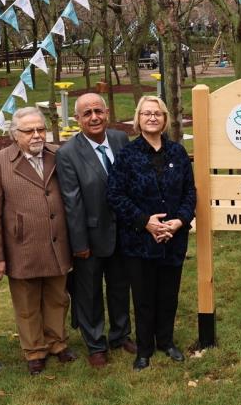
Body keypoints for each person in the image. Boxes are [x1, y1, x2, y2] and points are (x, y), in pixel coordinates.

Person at [0, 107, 76, 375]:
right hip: (22, 246)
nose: (37, 135)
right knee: (27, 302)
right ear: (15, 135)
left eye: (40, 129)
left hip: (58, 242)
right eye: (29, 131)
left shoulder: (58, 155)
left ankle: (57, 343)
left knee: (58, 298)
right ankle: (34, 350)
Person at [108, 96, 196, 371]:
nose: (152, 118)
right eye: (146, 113)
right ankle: (144, 349)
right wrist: (145, 221)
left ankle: (166, 342)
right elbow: (115, 194)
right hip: (139, 240)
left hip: (173, 238)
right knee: (144, 296)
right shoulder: (128, 154)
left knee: (168, 293)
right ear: (138, 119)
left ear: (165, 118)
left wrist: (179, 221)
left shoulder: (178, 153)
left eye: (157, 113)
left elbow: (190, 192)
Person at [56, 94, 135, 369]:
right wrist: (79, 244)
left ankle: (120, 334)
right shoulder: (67, 154)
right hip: (89, 237)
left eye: (98, 111)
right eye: (86, 113)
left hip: (122, 233)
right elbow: (72, 201)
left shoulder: (120, 140)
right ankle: (95, 344)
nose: (93, 117)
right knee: (89, 294)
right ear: (77, 119)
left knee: (119, 287)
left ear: (107, 112)